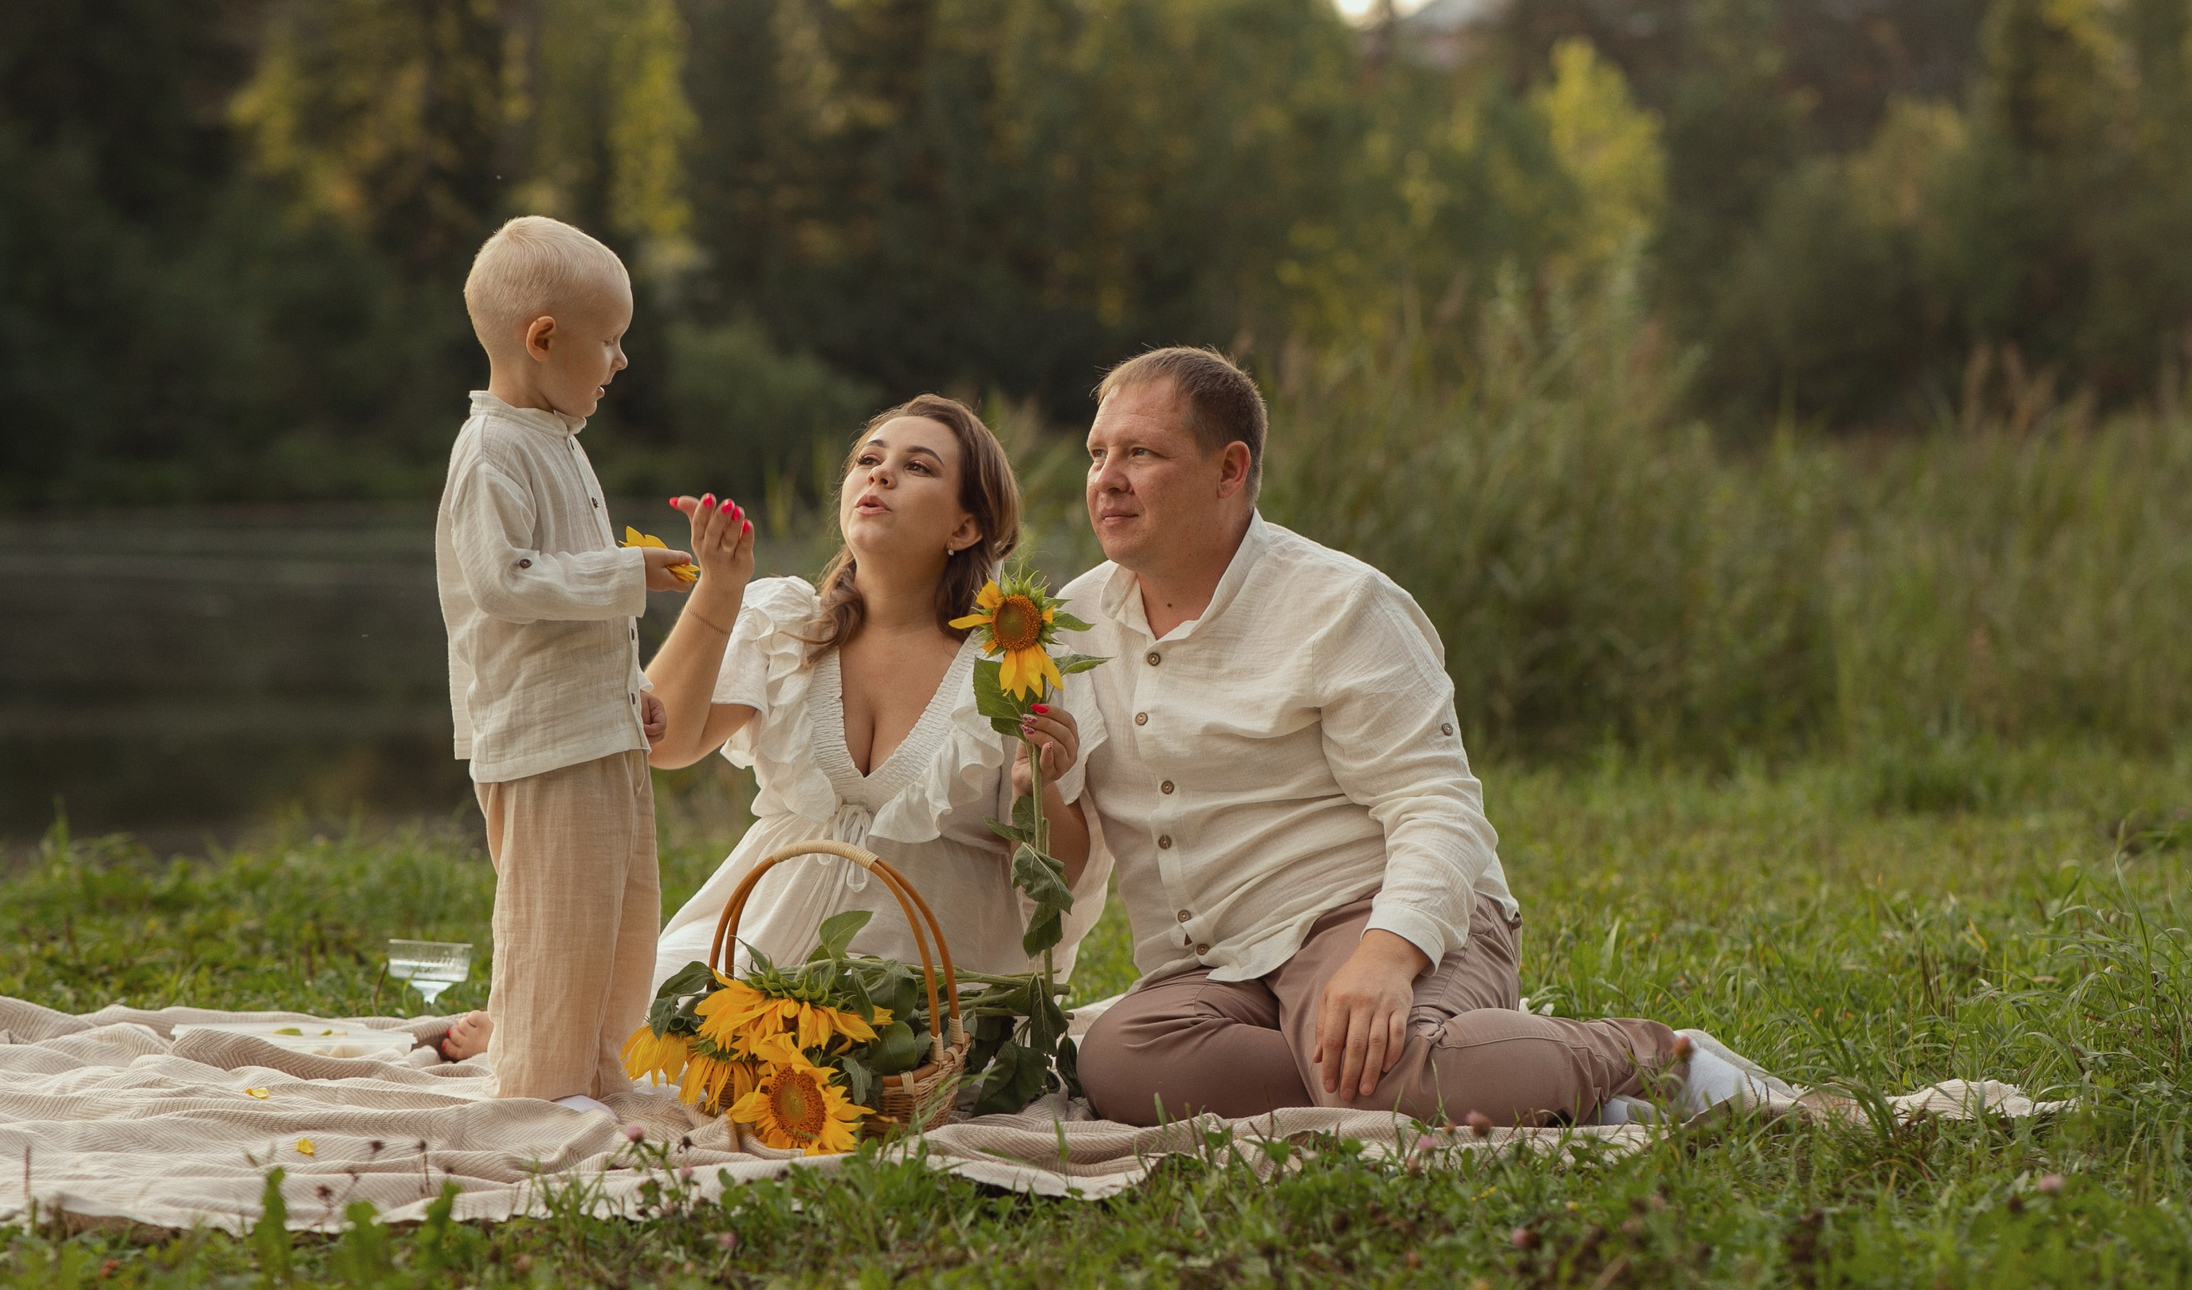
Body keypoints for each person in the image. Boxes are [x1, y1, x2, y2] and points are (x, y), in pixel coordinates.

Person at [1069, 347, 1792, 1127]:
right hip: (1221, 969)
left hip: (1373, 914)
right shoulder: (1069, 626)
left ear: (1229, 468)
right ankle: (1486, 1075)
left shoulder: (1339, 604)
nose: (1106, 477)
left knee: (1375, 1081)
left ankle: (1655, 1058)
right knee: (1115, 1060)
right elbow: (1064, 852)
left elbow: (1438, 804)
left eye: (1140, 453)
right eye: (1098, 453)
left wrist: (1385, 956)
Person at [645, 395, 1108, 989]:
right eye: (868, 459)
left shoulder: (1016, 663)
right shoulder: (788, 626)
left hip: (930, 982)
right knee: (627, 1021)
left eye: (919, 467)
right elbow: (667, 741)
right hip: (755, 949)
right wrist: (718, 588)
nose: (880, 473)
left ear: (965, 527)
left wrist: (1035, 790)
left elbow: (1059, 881)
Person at [431, 216, 697, 1105]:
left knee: (622, 919)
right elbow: (504, 583)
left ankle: (605, 1073)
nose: (621, 361)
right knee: (557, 927)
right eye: (611, 340)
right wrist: (628, 571)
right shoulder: (491, 451)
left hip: (599, 726)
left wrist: (634, 687)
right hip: (543, 740)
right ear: (543, 338)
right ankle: (540, 1091)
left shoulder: (557, 439)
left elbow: (574, 608)